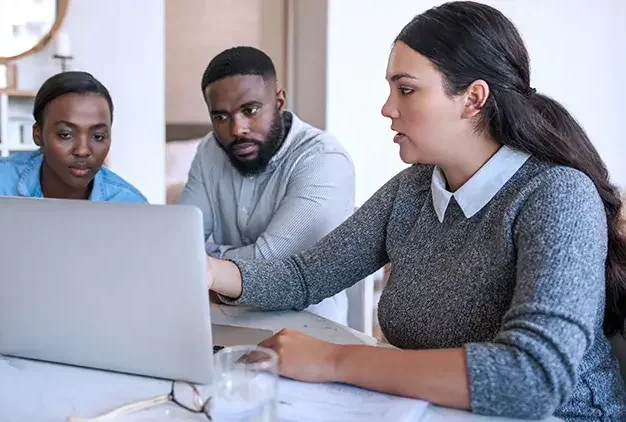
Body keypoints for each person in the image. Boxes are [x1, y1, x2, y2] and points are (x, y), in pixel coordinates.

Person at [207, 2, 626, 420]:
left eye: (405, 89)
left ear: (473, 99)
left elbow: (531, 378)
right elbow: (306, 275)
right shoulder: (414, 189)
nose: (387, 108)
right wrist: (208, 270)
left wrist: (334, 360)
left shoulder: (557, 194)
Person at [178, 46, 355, 325]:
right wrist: (196, 258)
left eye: (250, 110)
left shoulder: (324, 159)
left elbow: (268, 262)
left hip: (308, 332)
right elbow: (181, 242)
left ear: (279, 101)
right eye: (220, 117)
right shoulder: (209, 150)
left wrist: (207, 261)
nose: (237, 129)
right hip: (222, 325)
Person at [0, 71, 148, 288]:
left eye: (98, 136)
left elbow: (142, 295)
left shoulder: (131, 206)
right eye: (66, 134)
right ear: (38, 134)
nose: (83, 150)